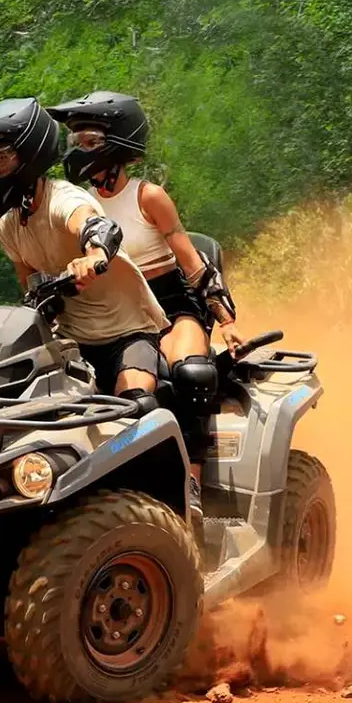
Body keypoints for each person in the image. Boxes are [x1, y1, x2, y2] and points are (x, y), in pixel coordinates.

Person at [44, 92, 242, 463]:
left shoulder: (149, 197)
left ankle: (193, 478)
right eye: (75, 143)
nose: (79, 152)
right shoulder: (76, 205)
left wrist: (226, 320)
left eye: (90, 143)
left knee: (193, 375)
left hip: (167, 305)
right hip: (112, 311)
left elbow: (192, 261)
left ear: (118, 144)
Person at [0, 97, 170, 409]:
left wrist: (94, 255)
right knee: (30, 411)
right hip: (70, 340)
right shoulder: (6, 223)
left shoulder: (62, 198)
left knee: (135, 407)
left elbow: (94, 223)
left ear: (30, 154)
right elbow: (29, 287)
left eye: (1, 157)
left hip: (127, 334)